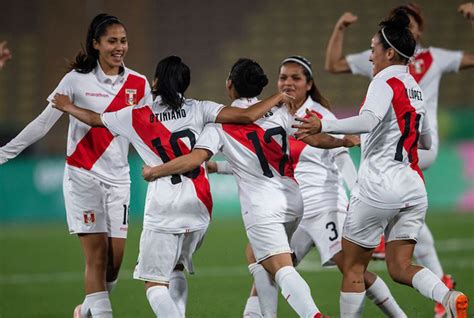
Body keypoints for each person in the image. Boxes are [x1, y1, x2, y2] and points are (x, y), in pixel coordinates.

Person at [52, 55, 297, 318]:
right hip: (200, 208)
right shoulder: (200, 108)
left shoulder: (135, 115)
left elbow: (94, 119)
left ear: (156, 82)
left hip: (164, 210)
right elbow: (247, 115)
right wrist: (277, 96)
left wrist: (67, 106)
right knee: (176, 268)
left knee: (154, 285)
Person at [140, 57, 360, 317]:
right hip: (293, 200)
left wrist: (156, 171)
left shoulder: (219, 124)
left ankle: (313, 315)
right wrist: (342, 142)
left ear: (229, 84)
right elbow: (313, 138)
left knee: (281, 268)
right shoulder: (280, 112)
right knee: (257, 257)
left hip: (262, 208)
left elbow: (195, 158)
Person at [296, 10, 469, 318]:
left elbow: (367, 120)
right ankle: (447, 294)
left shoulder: (383, 81)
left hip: (378, 186)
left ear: (390, 52)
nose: (371, 54)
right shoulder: (415, 87)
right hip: (413, 187)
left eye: (374, 48)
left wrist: (324, 126)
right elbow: (426, 141)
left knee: (352, 267)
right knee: (401, 267)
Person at [213, 56, 405, 317]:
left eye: (295, 78)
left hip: (326, 207)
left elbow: (342, 160)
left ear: (309, 83)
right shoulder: (279, 113)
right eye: (283, 77)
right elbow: (256, 161)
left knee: (349, 269)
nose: (288, 82)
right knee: (266, 260)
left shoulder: (320, 116)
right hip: (297, 207)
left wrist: (354, 202)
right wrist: (219, 167)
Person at [0, 14, 153, 318]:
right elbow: (43, 124)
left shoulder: (139, 83)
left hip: (119, 179)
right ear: (96, 44)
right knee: (95, 258)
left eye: (123, 40)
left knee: (113, 264)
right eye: (111, 41)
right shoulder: (75, 80)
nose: (119, 47)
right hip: (82, 175)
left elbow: (146, 131)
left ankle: (86, 311)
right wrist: (4, 153)